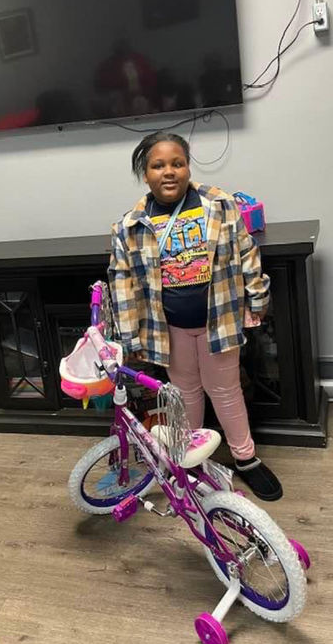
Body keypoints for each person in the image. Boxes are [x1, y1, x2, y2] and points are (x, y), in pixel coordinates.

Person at [108, 131, 282, 501]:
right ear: (145, 175)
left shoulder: (219, 205)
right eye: (158, 165)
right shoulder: (130, 226)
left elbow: (247, 253)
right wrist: (129, 337)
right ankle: (191, 461)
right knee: (184, 394)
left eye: (178, 163)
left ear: (188, 167)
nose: (169, 171)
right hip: (169, 328)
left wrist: (257, 299)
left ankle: (245, 458)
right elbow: (122, 283)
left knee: (226, 391)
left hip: (218, 321)